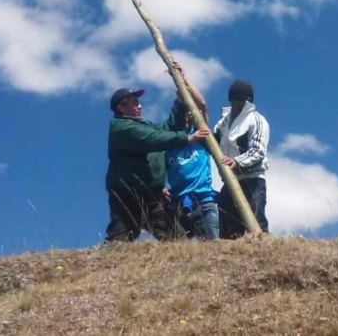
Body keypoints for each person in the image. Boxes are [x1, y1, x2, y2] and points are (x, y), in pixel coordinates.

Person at [105, 87, 209, 243]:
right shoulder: (120, 127)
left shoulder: (143, 126)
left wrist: (180, 103)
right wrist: (187, 139)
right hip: (128, 196)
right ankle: (106, 254)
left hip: (151, 194)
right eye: (135, 103)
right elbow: (153, 138)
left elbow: (167, 129)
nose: (139, 106)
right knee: (120, 239)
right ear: (121, 108)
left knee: (174, 237)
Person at [164, 65, 220, 240]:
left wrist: (183, 79)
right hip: (178, 203)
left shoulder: (200, 135)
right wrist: (161, 187)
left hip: (203, 201)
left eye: (189, 116)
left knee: (213, 247)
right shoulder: (168, 142)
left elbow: (202, 105)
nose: (186, 120)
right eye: (183, 117)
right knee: (179, 251)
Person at [213, 79, 270, 238]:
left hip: (252, 179)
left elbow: (258, 151)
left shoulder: (257, 120)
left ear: (248, 102)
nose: (236, 104)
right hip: (230, 180)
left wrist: (237, 161)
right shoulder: (223, 122)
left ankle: (263, 247)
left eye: (241, 101)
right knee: (227, 226)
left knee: (256, 221)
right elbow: (213, 142)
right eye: (234, 100)